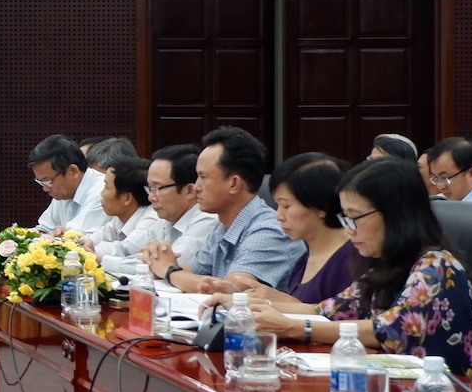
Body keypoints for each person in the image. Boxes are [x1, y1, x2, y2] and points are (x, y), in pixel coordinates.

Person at [250, 158, 472, 379]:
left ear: (394, 214)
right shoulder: (386, 265)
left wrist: (295, 328)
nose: (349, 229)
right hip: (395, 390)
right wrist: (248, 308)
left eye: (355, 217)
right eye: (345, 218)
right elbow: (327, 310)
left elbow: (386, 330)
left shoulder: (438, 266)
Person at [146, 127, 303, 290]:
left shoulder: (269, 230)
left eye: (203, 177)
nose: (196, 187)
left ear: (234, 184)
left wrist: (169, 270)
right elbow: (186, 274)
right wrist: (157, 261)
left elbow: (230, 290)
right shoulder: (221, 228)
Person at [214, 153, 365, 305]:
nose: (278, 216)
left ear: (321, 206)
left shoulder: (353, 259)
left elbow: (345, 315)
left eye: (286, 206)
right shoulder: (305, 259)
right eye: (278, 205)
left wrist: (282, 303)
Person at [136, 144, 223, 270]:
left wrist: (106, 261)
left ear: (190, 190)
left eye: (158, 188)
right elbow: (126, 248)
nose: (151, 197)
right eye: (150, 188)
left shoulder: (207, 220)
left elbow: (166, 266)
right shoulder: (166, 220)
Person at [86, 157, 168, 278]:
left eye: (106, 187)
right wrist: (81, 245)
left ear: (126, 198)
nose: (101, 193)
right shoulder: (121, 218)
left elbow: (134, 257)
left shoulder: (151, 219)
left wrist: (95, 257)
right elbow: (120, 248)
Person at [29, 134, 107, 234]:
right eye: (41, 182)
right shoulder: (63, 193)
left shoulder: (101, 192)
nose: (45, 188)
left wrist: (55, 236)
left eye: (48, 181)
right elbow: (43, 230)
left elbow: (78, 238)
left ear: (73, 171)